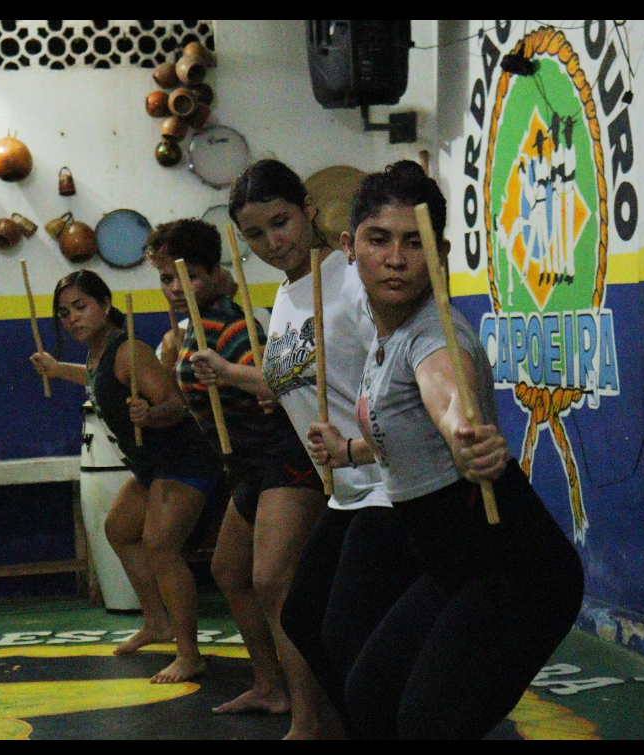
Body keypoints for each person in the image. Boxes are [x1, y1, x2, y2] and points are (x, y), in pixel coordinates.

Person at [307, 162, 584, 738]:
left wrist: (466, 438)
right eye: (379, 240)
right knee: (369, 695)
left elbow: (449, 400)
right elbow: (404, 435)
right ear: (349, 246)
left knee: (429, 723)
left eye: (415, 243)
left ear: (440, 253)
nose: (396, 258)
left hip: (516, 568)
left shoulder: (436, 335)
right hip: (453, 564)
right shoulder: (386, 332)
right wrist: (349, 451)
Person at [204, 159, 418, 735]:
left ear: (308, 209)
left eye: (281, 223)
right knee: (306, 614)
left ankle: (324, 725)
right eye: (254, 234)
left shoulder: (350, 276)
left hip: (389, 481)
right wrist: (233, 375)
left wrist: (362, 443)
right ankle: (324, 721)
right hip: (344, 489)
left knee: (340, 622)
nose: (272, 242)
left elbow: (399, 366)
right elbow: (293, 378)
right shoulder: (287, 295)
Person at [146, 219, 326, 738]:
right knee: (228, 571)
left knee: (273, 584)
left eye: (188, 277)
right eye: (167, 279)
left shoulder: (232, 325)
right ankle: (270, 685)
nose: (175, 288)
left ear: (213, 273)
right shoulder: (192, 329)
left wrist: (228, 373)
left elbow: (272, 388)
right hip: (246, 466)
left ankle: (310, 718)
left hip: (282, 459)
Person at [30, 271, 224, 684]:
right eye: (64, 313)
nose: (72, 318)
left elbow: (175, 405)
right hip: (153, 465)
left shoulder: (129, 350)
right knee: (119, 529)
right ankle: (156, 623)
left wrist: (150, 415)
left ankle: (190, 655)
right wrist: (57, 369)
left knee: (161, 547)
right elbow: (96, 380)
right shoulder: (98, 353)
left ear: (105, 304)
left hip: (183, 459)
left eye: (80, 307)